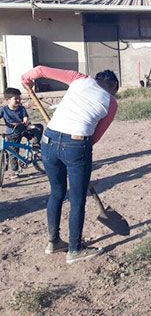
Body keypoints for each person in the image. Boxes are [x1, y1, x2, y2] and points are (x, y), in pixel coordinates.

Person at [21, 66, 119, 264]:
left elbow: (39, 70)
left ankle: (53, 242)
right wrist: (79, 156)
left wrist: (26, 80)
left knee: (56, 192)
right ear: (114, 85)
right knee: (77, 198)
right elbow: (95, 137)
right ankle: (74, 249)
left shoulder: (79, 78)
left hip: (49, 141)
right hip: (77, 143)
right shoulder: (111, 103)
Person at [0, 87, 44, 178]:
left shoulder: (21, 108)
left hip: (24, 129)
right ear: (8, 100)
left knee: (39, 127)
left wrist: (25, 121)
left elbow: (25, 117)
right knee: (13, 152)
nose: (18, 100)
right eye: (15, 98)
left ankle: (35, 145)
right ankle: (15, 171)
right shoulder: (3, 110)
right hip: (12, 133)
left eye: (19, 98)